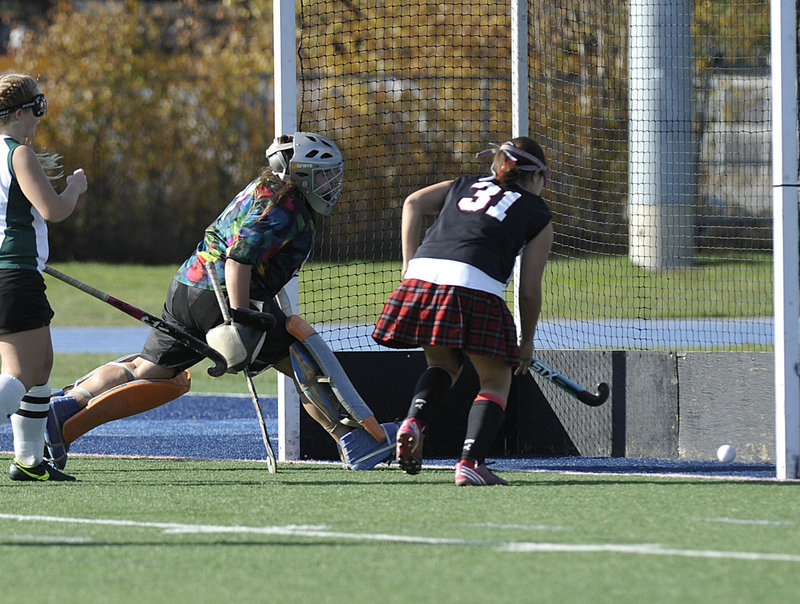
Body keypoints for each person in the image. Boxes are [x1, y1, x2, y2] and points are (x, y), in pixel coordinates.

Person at [45, 132, 396, 471]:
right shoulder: (287, 207)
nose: (330, 183)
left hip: (188, 286)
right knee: (301, 358)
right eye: (323, 174)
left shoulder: (264, 187)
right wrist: (240, 315)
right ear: (301, 172)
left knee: (148, 371)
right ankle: (355, 443)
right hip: (222, 298)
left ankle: (64, 411)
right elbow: (239, 259)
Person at [372, 136, 553, 486]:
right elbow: (529, 291)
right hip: (476, 287)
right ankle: (471, 462)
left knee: (443, 365)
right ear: (536, 177)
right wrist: (526, 341)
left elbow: (413, 202)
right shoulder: (538, 213)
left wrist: (409, 268)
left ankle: (414, 421)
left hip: (423, 280)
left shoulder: (464, 184)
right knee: (496, 381)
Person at [0, 71, 88, 481]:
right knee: (22, 374)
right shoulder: (17, 153)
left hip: (16, 273)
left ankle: (30, 462)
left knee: (42, 368)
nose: (40, 115)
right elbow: (54, 210)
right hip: (14, 274)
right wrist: (74, 187)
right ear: (19, 112)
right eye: (38, 107)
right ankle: (28, 459)